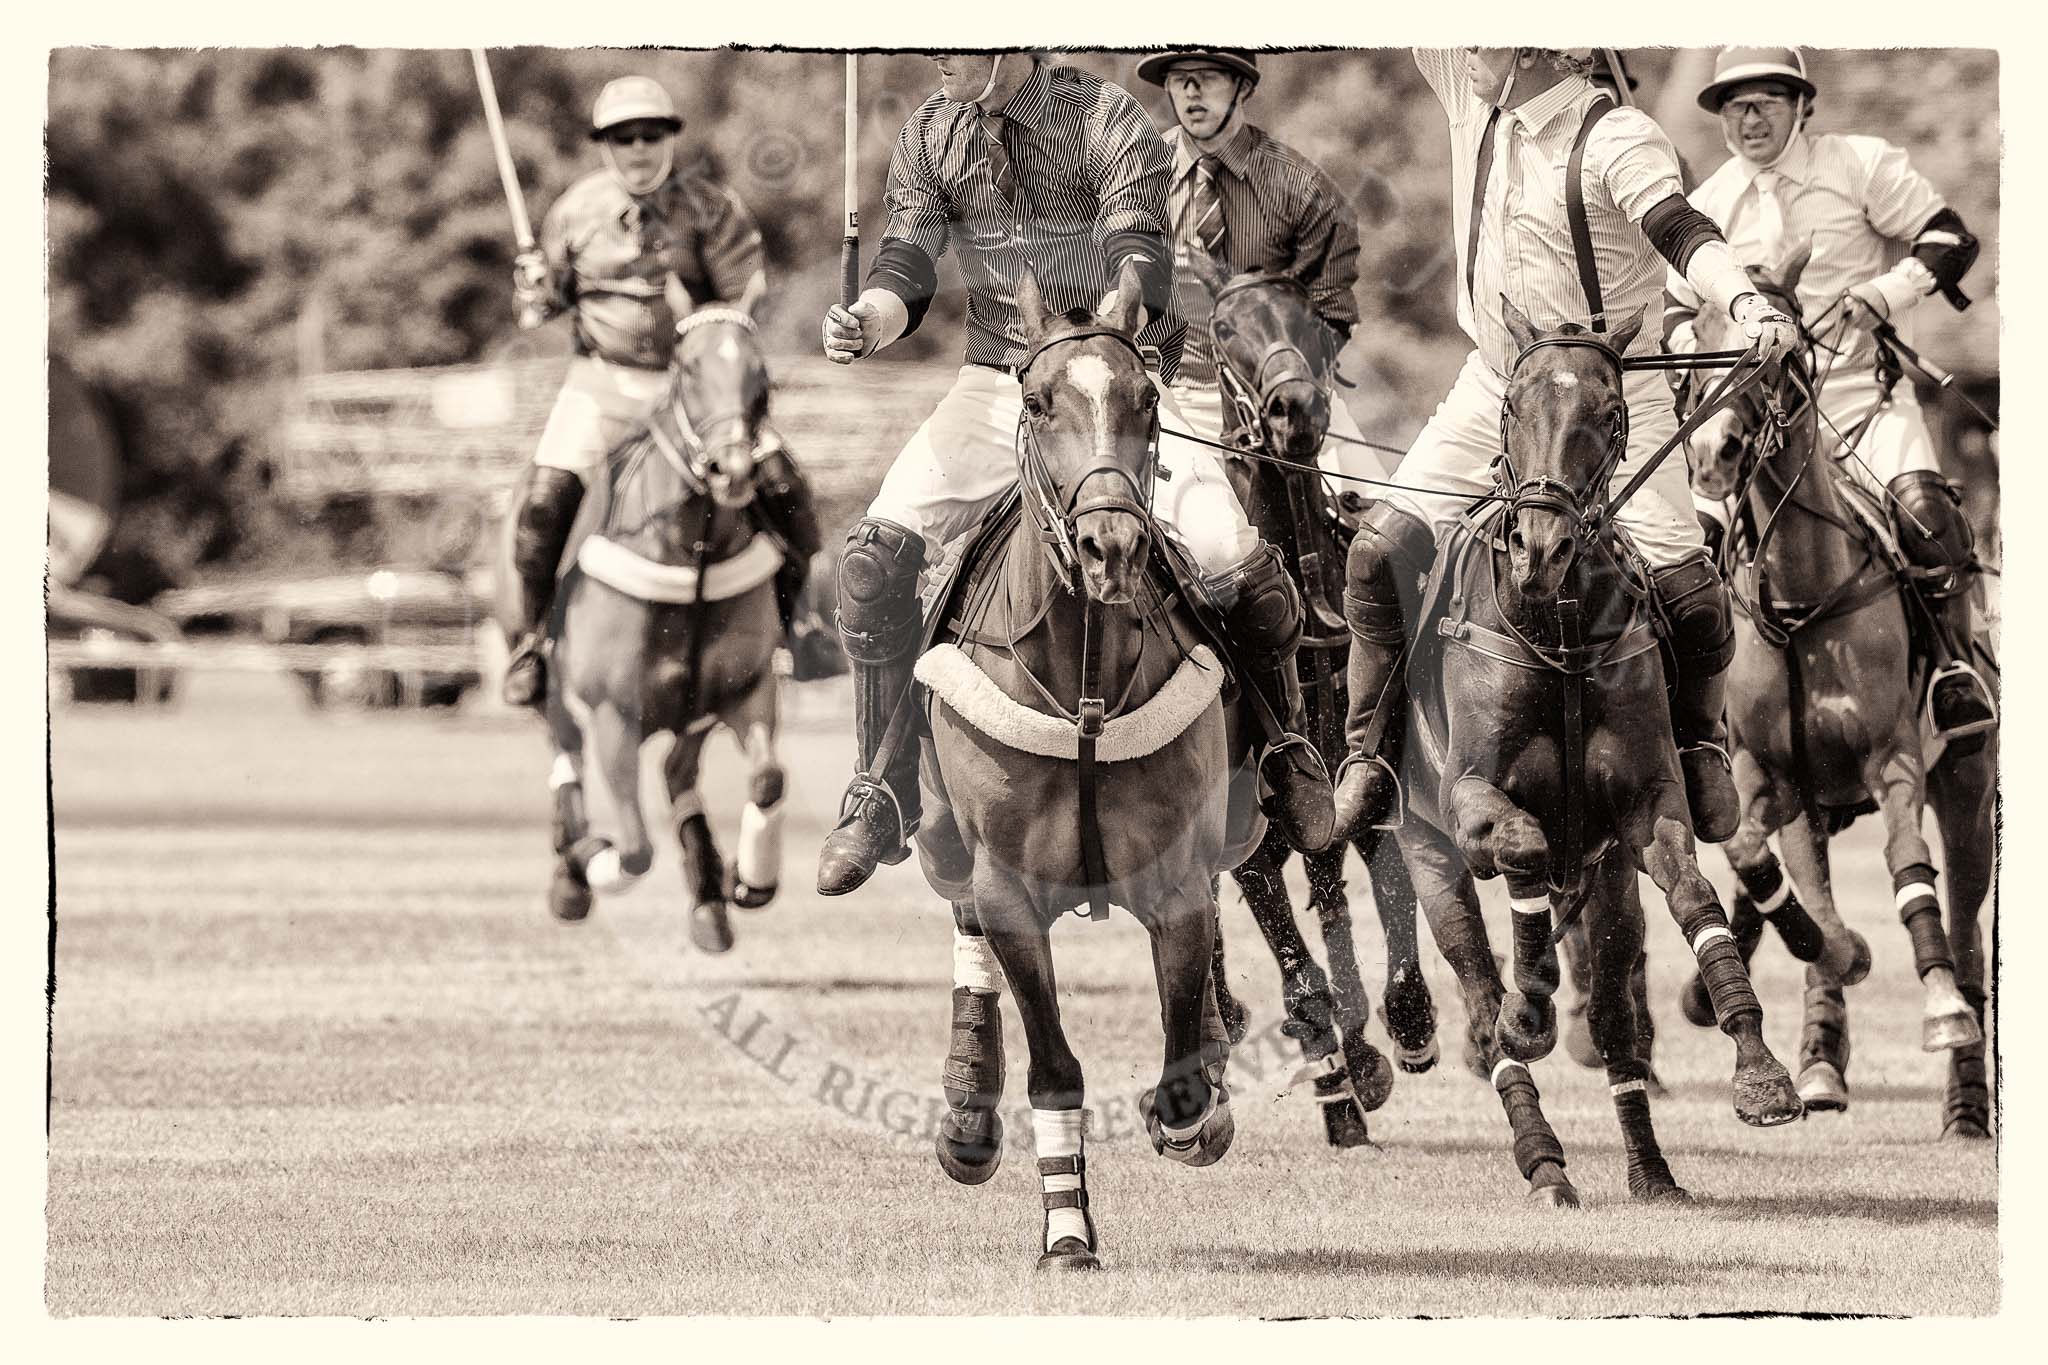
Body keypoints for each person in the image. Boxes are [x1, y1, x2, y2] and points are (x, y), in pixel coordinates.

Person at [815, 50, 1335, 896]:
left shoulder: (1105, 118)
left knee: (1235, 555)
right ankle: (882, 792)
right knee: (873, 561)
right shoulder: (928, 131)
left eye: (956, 39)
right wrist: (864, 324)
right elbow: (904, 270)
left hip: (1114, 378)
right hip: (998, 385)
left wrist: (1106, 335)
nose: (937, 54)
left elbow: (1142, 255)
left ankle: (1284, 748)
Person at [1328, 47, 1800, 844]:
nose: (1460, 48)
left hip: (1614, 394)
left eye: (1482, 37)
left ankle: (1696, 744)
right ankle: (1366, 755)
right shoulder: (1474, 92)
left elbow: (1682, 231)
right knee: (1377, 552)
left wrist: (1747, 302)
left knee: (1689, 588)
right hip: (1499, 384)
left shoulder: (1620, 138)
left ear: (1542, 45)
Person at [1666, 46, 1994, 742]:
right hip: (1751, 425)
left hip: (1857, 401)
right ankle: (1697, 720)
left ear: (1801, 105)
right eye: (1734, 105)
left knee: (1928, 514)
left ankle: (1952, 674)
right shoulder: (1707, 205)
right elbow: (1673, 307)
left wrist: (1884, 291)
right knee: (1690, 549)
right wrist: (1692, 352)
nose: (1748, 119)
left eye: (1765, 103)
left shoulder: (1861, 164)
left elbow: (1949, 238)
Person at [501, 75, 833, 707]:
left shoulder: (713, 208)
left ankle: (802, 628)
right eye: (623, 138)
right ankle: (534, 640)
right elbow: (542, 308)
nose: (639, 148)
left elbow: (740, 303)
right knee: (544, 499)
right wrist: (533, 287)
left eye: (651, 135)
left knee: (783, 483)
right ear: (604, 145)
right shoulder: (573, 211)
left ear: (670, 139)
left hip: (695, 390)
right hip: (602, 383)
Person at [1133, 48, 1393, 490]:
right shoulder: (1140, 173)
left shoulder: (1295, 183)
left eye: (1209, 77)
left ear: (1244, 86)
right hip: (1176, 394)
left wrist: (1291, 378)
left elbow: (1331, 307)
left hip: (1284, 389)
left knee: (1384, 531)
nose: (1192, 92)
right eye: (1180, 79)